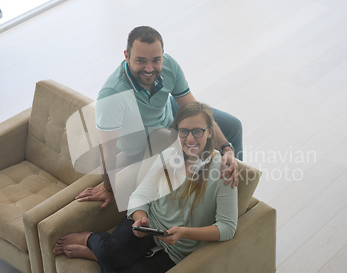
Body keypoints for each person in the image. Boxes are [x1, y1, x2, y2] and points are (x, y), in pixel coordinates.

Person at [54, 102, 238, 273]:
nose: (190, 138)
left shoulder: (223, 171)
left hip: (177, 249)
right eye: (183, 131)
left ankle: (96, 255)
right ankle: (90, 238)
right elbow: (141, 195)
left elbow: (227, 227)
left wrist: (184, 232)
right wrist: (140, 219)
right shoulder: (168, 156)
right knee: (111, 255)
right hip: (149, 224)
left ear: (210, 132)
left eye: (197, 131)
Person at [75, 26, 243, 210]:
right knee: (194, 151)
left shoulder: (169, 65)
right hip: (148, 142)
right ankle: (224, 197)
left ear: (163, 53)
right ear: (126, 56)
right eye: (140, 61)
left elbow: (194, 109)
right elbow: (106, 150)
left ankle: (236, 186)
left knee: (233, 127)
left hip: (168, 114)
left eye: (156, 60)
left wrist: (227, 148)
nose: (149, 68)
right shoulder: (112, 95)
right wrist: (109, 188)